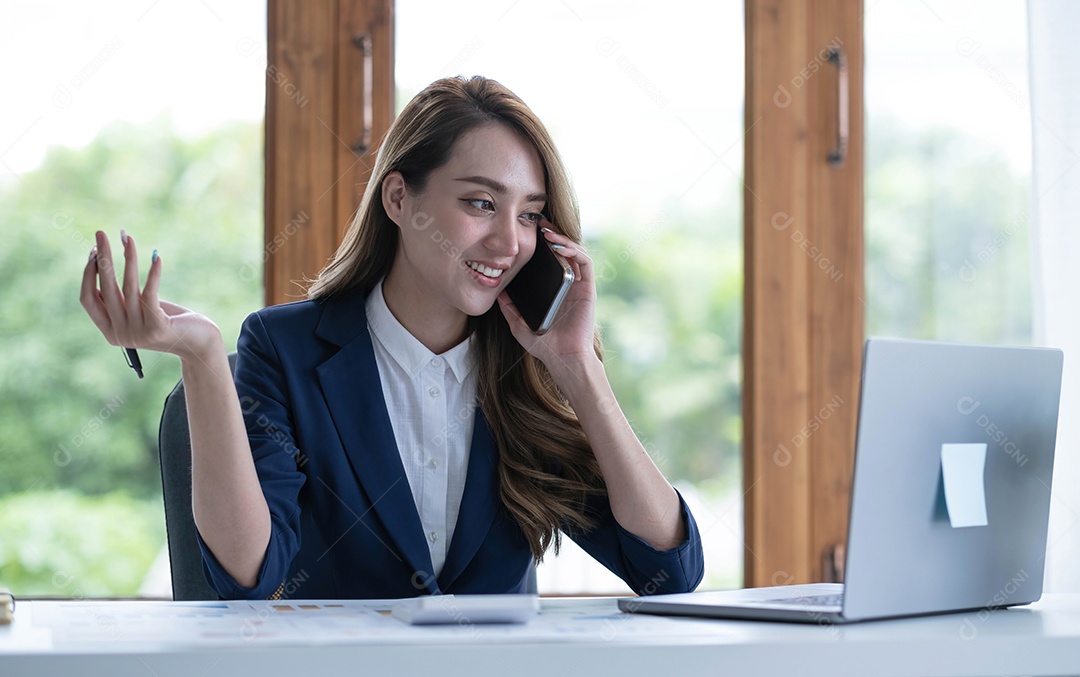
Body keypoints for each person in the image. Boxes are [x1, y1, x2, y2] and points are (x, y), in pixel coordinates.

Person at [80, 75, 704, 600]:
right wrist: (202, 356)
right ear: (400, 198)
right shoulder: (284, 349)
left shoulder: (529, 366)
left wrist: (579, 370)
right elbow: (248, 577)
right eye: (482, 203)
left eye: (530, 214)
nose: (510, 242)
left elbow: (667, 571)